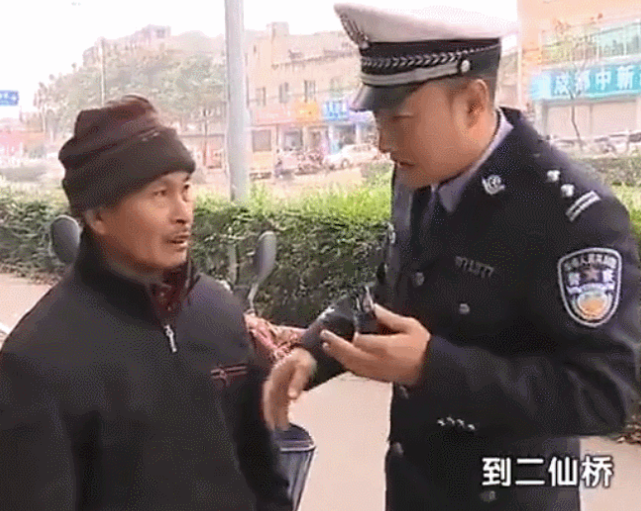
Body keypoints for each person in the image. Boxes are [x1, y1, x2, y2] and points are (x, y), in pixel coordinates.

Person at [262, 4, 641, 510]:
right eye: (378, 120)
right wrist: (314, 350)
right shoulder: (417, 176)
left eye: (400, 120)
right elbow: (391, 290)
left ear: (472, 103)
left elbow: (604, 394)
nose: (383, 142)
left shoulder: (568, 212)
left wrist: (432, 367)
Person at [0, 95, 292, 511]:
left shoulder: (219, 312)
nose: (183, 213)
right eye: (159, 194)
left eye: (186, 189)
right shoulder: (38, 358)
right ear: (98, 217)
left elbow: (262, 472)